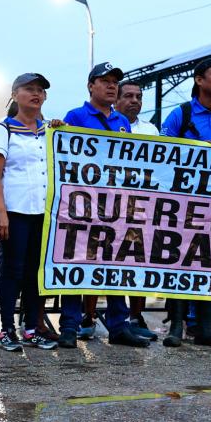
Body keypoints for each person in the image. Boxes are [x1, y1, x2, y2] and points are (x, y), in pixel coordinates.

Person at [58, 63, 152, 349]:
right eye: (105, 81)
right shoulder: (76, 116)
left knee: (115, 265)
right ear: (91, 86)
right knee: (76, 264)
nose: (112, 86)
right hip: (83, 206)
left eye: (115, 82)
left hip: (115, 206)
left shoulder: (122, 121)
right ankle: (70, 326)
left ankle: (118, 325)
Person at [160, 58, 211, 348]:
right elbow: (162, 153)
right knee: (179, 261)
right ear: (199, 80)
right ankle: (177, 326)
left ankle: (206, 325)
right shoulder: (180, 114)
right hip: (182, 203)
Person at [0, 74, 59, 351]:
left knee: (35, 272)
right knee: (12, 271)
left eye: (40, 90)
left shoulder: (50, 130)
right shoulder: (3, 129)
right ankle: (6, 328)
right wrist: (0, 211)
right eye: (29, 89)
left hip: (43, 212)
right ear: (15, 94)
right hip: (16, 210)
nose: (36, 94)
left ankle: (31, 326)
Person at [114, 78, 161, 332]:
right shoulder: (107, 124)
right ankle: (89, 318)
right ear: (116, 99)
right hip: (108, 207)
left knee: (137, 262)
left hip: (141, 208)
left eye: (139, 97)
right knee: (101, 260)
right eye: (129, 96)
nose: (134, 101)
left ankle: (135, 316)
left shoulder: (151, 131)